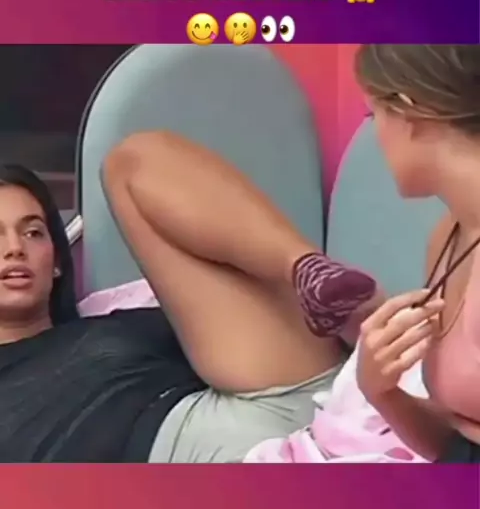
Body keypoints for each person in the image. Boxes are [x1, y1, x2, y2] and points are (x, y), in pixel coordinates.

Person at [0, 142, 377, 463]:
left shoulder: (115, 323)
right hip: (191, 474)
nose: (15, 248)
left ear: (56, 262)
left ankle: (307, 269)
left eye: (33, 232)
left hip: (285, 400)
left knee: (131, 160)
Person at [354, 44, 480, 462]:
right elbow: (457, 445)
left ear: (409, 112)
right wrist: (380, 390)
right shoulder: (449, 235)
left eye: (373, 115)